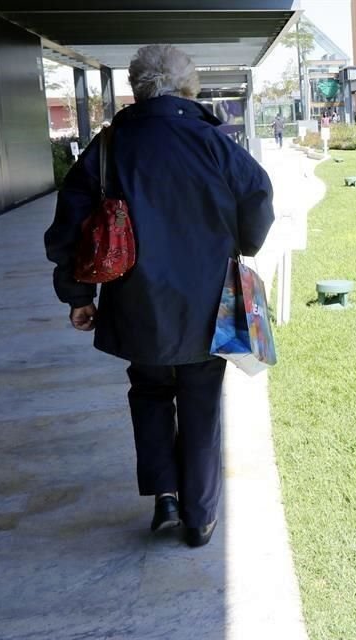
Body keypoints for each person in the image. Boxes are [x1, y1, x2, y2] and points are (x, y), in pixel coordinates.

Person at [44, 44, 274, 548]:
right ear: (188, 88)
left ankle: (165, 497)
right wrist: (241, 244)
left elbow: (69, 227)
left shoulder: (108, 146)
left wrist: (78, 295)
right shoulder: (215, 142)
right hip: (207, 302)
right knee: (200, 400)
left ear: (138, 87)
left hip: (134, 301)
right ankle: (200, 516)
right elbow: (258, 199)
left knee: (148, 392)